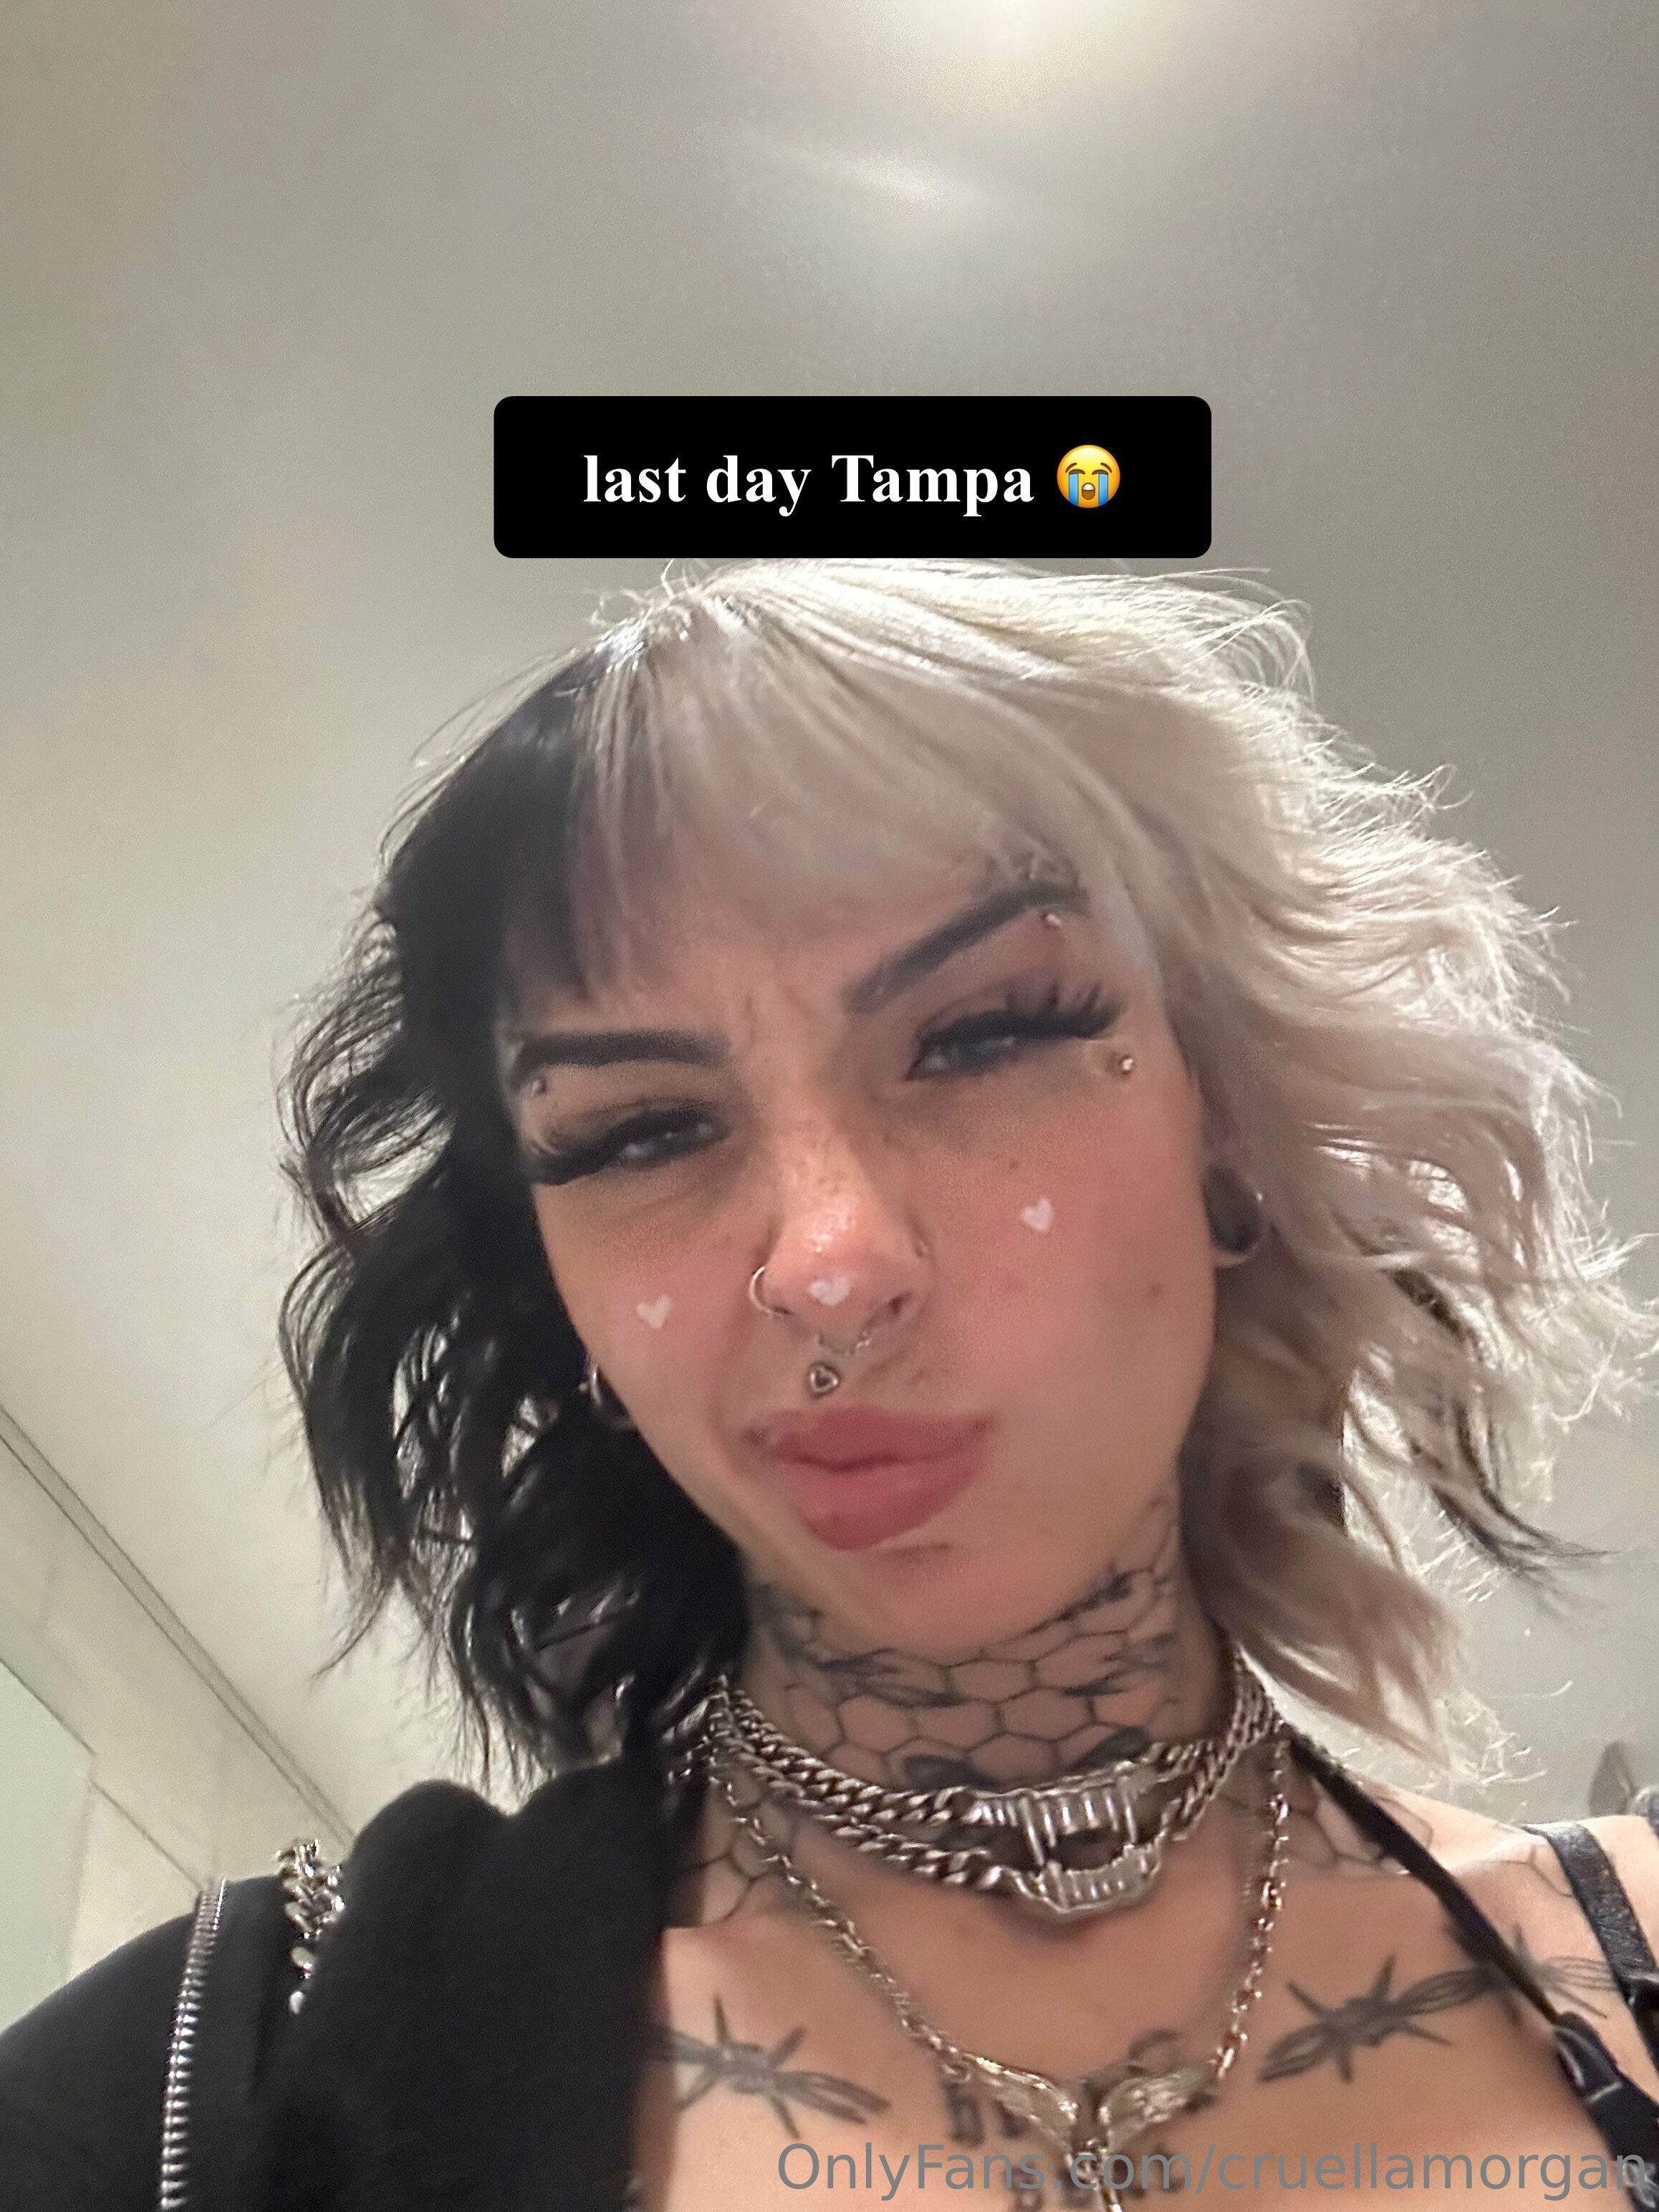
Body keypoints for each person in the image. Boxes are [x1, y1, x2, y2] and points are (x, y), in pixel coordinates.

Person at [3, 559, 1657, 2212]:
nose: (831, 1262)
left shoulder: (1624, 1955)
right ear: (566, 1299)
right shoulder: (206, 2078)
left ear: (1221, 1114)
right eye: (640, 1131)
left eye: (986, 1032)